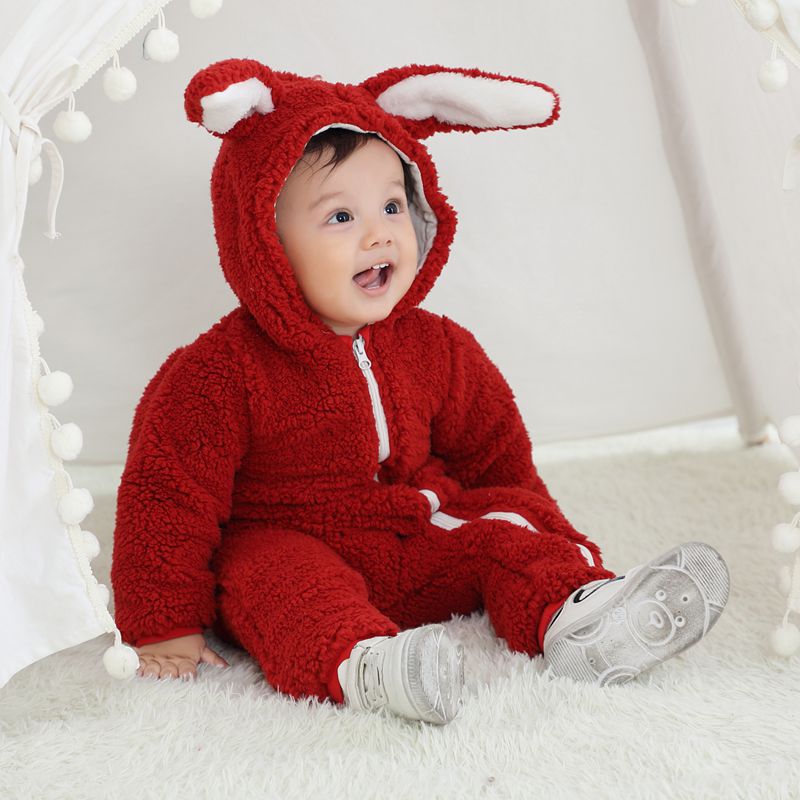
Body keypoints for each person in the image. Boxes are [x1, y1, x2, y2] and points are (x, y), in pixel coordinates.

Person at [111, 60, 730, 726]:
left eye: (392, 206)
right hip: (292, 537)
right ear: (265, 240)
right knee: (274, 580)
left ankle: (579, 617)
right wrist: (164, 625)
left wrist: (541, 531)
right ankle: (368, 666)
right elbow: (166, 500)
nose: (379, 233)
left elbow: (497, 455)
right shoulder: (217, 373)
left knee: (508, 526)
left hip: (415, 535)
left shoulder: (438, 346)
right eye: (340, 215)